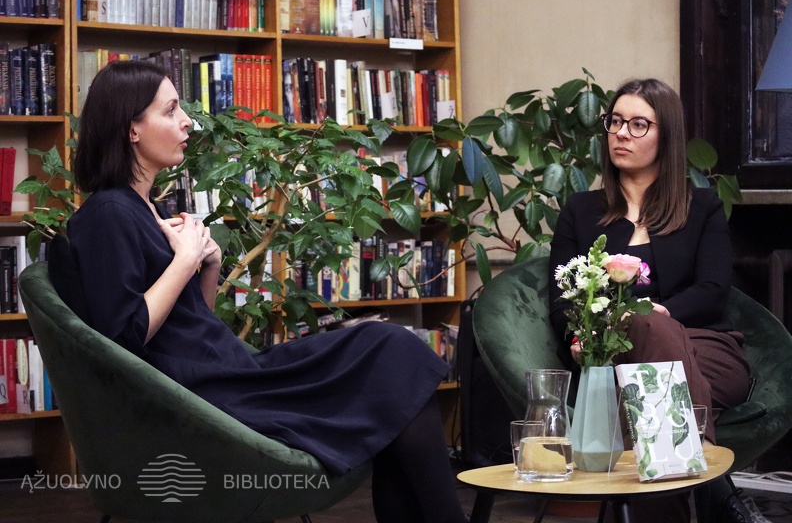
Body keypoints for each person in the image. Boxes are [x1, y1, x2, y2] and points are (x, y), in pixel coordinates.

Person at [65, 60, 468, 523]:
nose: (187, 121)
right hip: (206, 397)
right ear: (131, 129)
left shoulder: (141, 207)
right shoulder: (109, 214)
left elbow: (190, 325)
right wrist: (183, 261)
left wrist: (209, 265)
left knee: (394, 358)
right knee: (393, 352)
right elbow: (123, 339)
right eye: (170, 110)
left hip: (229, 371)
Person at [548, 78, 751, 523]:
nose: (621, 133)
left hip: (706, 349)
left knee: (645, 325)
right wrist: (584, 335)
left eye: (639, 124)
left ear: (667, 136)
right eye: (615, 121)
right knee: (641, 368)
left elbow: (713, 290)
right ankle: (711, 482)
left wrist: (657, 313)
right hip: (612, 358)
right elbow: (562, 301)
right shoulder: (580, 211)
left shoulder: (701, 207)